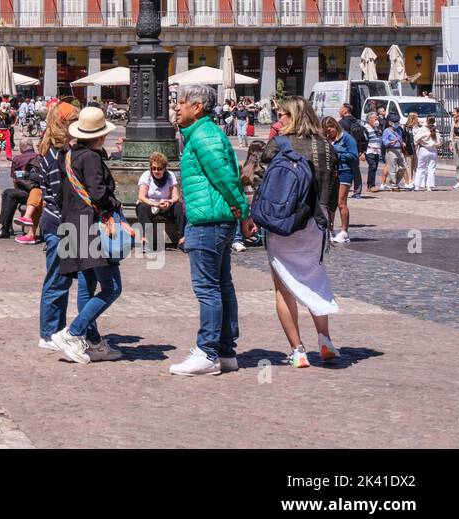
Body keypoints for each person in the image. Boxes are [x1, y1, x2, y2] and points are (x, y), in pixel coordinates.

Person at [169, 82, 253, 377]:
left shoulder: (203, 136)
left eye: (181, 102)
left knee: (208, 289)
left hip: (208, 222)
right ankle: (226, 351)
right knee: (222, 285)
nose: (176, 107)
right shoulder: (202, 134)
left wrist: (243, 213)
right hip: (215, 219)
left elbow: (227, 179)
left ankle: (207, 352)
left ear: (198, 107)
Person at [252, 96, 340, 368]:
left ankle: (297, 350)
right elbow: (334, 189)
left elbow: (260, 179)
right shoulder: (327, 146)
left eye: (283, 115)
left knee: (283, 286)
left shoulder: (279, 144)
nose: (280, 120)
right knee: (314, 276)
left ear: (294, 116)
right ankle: (324, 339)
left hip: (284, 220)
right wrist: (330, 221)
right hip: (317, 221)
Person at [49, 106, 125, 364]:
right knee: (112, 287)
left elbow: (60, 196)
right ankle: (73, 332)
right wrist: (114, 207)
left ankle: (88, 342)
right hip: (89, 228)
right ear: (100, 135)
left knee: (86, 285)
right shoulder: (91, 158)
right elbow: (98, 193)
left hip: (71, 225)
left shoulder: (69, 156)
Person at [135, 151, 186, 252]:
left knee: (179, 206)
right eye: (153, 168)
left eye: (159, 169)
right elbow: (141, 196)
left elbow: (176, 196)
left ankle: (182, 239)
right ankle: (145, 240)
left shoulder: (171, 175)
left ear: (164, 168)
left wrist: (170, 202)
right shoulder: (146, 175)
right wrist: (155, 204)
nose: (156, 171)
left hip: (166, 205)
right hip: (151, 205)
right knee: (142, 206)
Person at [0, 135, 38, 240]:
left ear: (21, 148)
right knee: (7, 193)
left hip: (30, 193)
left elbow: (15, 180)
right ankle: (6, 227)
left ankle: (6, 228)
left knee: (9, 194)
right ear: (32, 146)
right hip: (37, 190)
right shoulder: (38, 157)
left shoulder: (17, 159)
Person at [323, 117, 356, 243]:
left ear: (335, 126)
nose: (328, 133)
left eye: (329, 130)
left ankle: (344, 231)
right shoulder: (326, 139)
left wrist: (336, 153)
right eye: (326, 131)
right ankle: (330, 229)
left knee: (341, 202)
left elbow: (353, 155)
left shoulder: (347, 138)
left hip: (344, 171)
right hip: (330, 172)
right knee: (330, 203)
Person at [338, 104, 365, 199]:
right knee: (356, 171)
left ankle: (341, 190)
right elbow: (362, 137)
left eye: (341, 108)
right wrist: (361, 151)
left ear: (345, 110)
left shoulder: (342, 123)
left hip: (344, 150)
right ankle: (358, 192)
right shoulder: (356, 121)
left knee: (342, 170)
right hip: (356, 150)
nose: (339, 110)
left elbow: (340, 137)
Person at [378, 115, 406, 191]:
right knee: (392, 168)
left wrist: (402, 143)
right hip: (391, 150)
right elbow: (384, 142)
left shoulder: (399, 130)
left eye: (397, 122)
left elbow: (400, 138)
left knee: (403, 167)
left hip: (399, 150)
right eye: (395, 122)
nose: (397, 123)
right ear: (390, 122)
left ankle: (395, 181)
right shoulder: (386, 131)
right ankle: (394, 185)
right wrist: (391, 142)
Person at [413, 116, 439, 191]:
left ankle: (417, 185)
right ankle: (429, 186)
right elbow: (439, 142)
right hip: (433, 150)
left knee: (420, 168)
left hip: (423, 149)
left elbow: (416, 139)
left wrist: (419, 142)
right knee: (431, 169)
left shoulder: (422, 129)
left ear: (427, 121)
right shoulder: (435, 130)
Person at [363, 111, 383, 193]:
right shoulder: (365, 129)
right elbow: (363, 141)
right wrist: (363, 153)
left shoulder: (376, 128)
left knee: (374, 168)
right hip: (369, 150)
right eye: (375, 119)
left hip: (377, 151)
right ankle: (371, 186)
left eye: (377, 118)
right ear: (369, 120)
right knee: (372, 166)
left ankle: (370, 185)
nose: (376, 120)